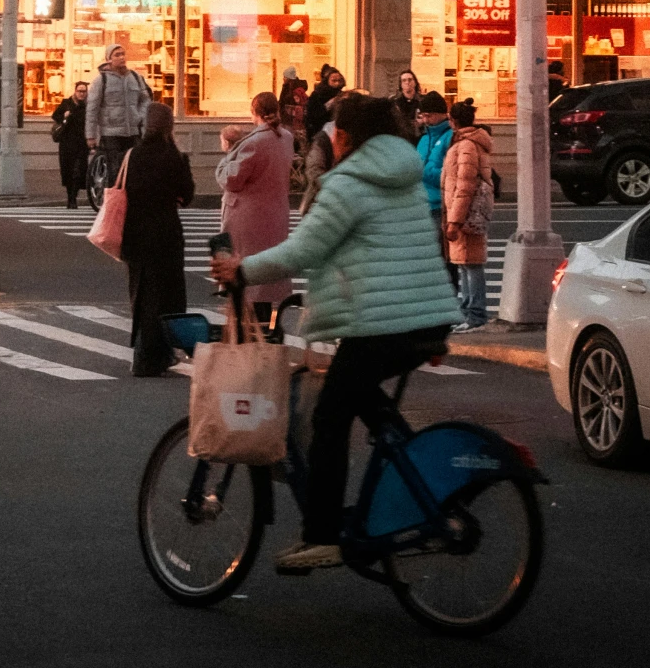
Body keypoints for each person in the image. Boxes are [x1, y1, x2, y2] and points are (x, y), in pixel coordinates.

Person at [209, 91, 456, 574]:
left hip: (384, 324)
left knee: (329, 416)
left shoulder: (348, 183)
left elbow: (302, 250)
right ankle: (405, 500)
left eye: (333, 132)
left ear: (343, 136)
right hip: (425, 316)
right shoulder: (400, 172)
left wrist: (241, 270)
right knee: (361, 399)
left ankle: (322, 536)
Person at [121, 101, 195, 375]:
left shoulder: (133, 155)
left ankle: (144, 353)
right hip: (165, 233)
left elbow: (122, 189)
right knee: (167, 296)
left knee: (141, 294)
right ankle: (156, 354)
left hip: (135, 234)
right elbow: (187, 195)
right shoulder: (175, 157)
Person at [217, 92, 295, 312]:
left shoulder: (254, 142)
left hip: (249, 218)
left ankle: (247, 333)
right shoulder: (286, 138)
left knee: (246, 275)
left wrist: (225, 160)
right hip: (275, 213)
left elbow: (231, 180)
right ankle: (264, 327)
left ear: (254, 113)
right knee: (267, 276)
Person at [441, 100, 494, 328]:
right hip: (464, 213)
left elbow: (465, 185)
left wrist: (455, 219)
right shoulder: (467, 144)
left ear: (453, 121)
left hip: (465, 214)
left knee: (471, 266)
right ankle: (468, 312)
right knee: (465, 264)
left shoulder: (466, 146)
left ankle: (475, 315)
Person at [83, 44, 151, 185]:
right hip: (111, 133)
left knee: (134, 169)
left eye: (123, 54)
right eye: (117, 55)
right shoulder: (101, 80)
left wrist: (140, 115)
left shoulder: (135, 77)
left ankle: (130, 202)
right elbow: (92, 109)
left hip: (133, 132)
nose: (122, 58)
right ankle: (115, 201)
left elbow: (145, 100)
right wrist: (90, 135)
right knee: (115, 169)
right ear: (109, 59)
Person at [414, 91, 455, 286]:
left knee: (443, 259)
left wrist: (424, 171)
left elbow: (450, 175)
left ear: (440, 114)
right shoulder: (423, 139)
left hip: (441, 205)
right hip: (423, 204)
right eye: (423, 115)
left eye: (429, 115)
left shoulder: (450, 137)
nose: (426, 119)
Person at [51, 80, 90, 208]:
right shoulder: (66, 103)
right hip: (67, 143)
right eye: (80, 91)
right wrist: (64, 116)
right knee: (68, 171)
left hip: (82, 144)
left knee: (78, 171)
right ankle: (70, 197)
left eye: (84, 91)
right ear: (75, 91)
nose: (82, 94)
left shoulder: (88, 106)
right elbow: (55, 116)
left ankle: (73, 198)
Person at [304, 68, 346, 141]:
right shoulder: (317, 95)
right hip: (319, 132)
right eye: (334, 81)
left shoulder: (342, 95)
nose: (337, 83)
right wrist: (330, 104)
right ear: (327, 81)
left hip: (337, 135)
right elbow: (312, 114)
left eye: (339, 80)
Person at [278, 67, 309, 139]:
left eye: (285, 77)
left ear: (289, 78)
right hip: (287, 118)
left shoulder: (294, 89)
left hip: (291, 119)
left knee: (289, 137)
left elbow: (289, 102)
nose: (283, 78)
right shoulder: (287, 86)